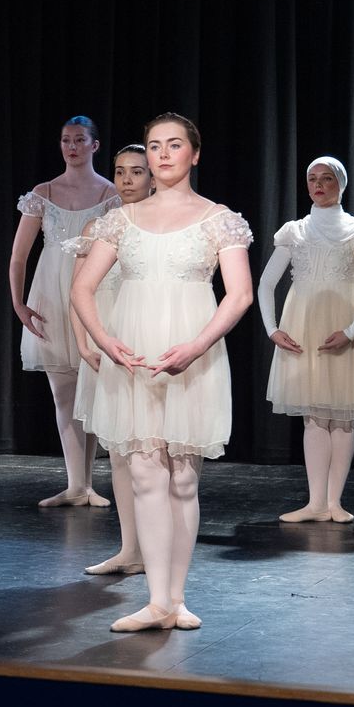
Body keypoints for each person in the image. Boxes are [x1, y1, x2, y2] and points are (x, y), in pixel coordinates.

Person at [71, 114, 253, 632]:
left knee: (184, 478)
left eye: (174, 145)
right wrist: (105, 340)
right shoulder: (121, 220)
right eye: (154, 146)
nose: (163, 154)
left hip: (192, 354)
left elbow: (240, 294)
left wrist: (196, 346)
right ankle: (156, 602)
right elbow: (82, 287)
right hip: (135, 356)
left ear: (195, 153)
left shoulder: (219, 219)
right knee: (145, 474)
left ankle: (176, 598)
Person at [259, 155, 354, 523]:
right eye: (312, 178)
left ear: (340, 184)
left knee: (343, 416)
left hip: (344, 324)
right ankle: (316, 503)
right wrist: (271, 328)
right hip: (303, 324)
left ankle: (335, 502)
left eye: (327, 178)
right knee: (314, 416)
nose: (318, 184)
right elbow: (266, 283)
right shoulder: (294, 231)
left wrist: (352, 330)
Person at [9, 116, 118, 508]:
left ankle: (88, 484)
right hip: (51, 295)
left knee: (92, 392)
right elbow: (19, 256)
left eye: (79, 140)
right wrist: (18, 302)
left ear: (94, 145)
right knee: (64, 395)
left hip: (94, 294)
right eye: (65, 140)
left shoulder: (112, 194)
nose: (71, 147)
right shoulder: (44, 193)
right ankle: (76, 485)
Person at [67, 144, 153, 574]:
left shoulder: (160, 226)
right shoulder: (98, 226)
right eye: (120, 171)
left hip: (147, 345)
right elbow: (78, 291)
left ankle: (157, 551)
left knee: (152, 450)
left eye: (136, 171)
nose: (126, 179)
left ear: (152, 176)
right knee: (118, 449)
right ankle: (129, 549)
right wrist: (85, 345)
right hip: (107, 348)